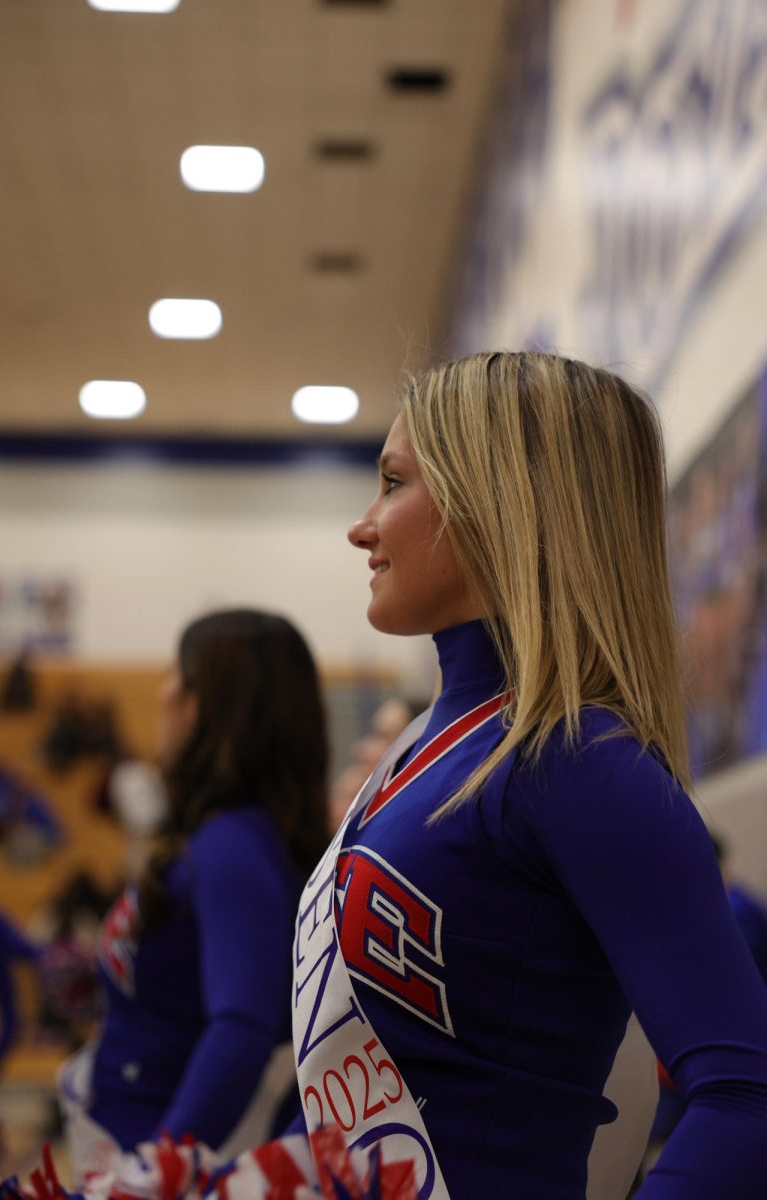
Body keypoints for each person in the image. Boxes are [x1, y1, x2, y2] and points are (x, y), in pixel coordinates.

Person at [289, 353, 767, 1199]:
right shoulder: (427, 751)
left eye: (393, 484)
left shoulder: (578, 760)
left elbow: (746, 1095)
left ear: (496, 507)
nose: (363, 528)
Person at [59, 610, 330, 1183]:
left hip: (162, 1158)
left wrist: (152, 1171)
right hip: (127, 1138)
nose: (161, 693)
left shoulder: (232, 844)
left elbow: (242, 1031)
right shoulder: (234, 835)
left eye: (172, 674)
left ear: (202, 703)